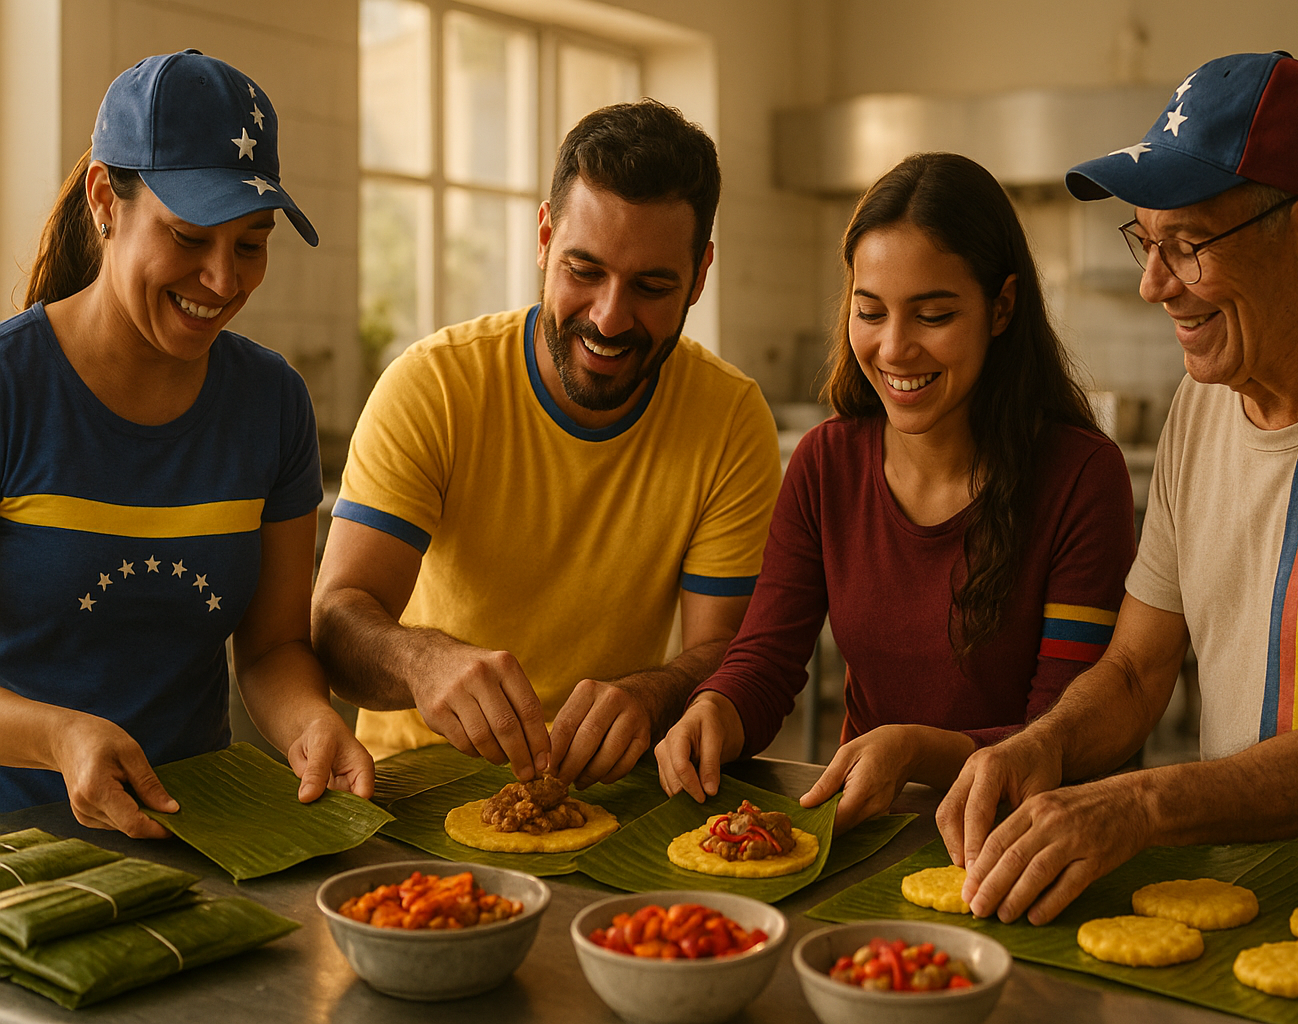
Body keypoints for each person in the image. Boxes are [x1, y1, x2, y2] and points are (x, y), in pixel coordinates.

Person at [938, 51, 1298, 927]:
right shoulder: (1202, 404)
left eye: (1187, 246)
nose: (1153, 285)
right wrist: (1043, 746)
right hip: (1246, 881)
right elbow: (1137, 670)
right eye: (1146, 241)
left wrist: (1138, 804)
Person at [655, 152, 1137, 833]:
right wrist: (715, 709)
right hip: (869, 830)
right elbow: (765, 661)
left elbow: (1061, 734)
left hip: (1026, 837)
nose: (893, 348)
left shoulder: (1080, 477)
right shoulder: (826, 463)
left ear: (1001, 307)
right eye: (870, 312)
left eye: (933, 315)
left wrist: (916, 750)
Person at [312, 100, 781, 789]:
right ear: (544, 237)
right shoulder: (435, 385)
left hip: (603, 797)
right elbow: (334, 622)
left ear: (700, 274)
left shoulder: (730, 418)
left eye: (652, 286)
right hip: (410, 790)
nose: (609, 318)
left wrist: (653, 697)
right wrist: (422, 662)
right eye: (583, 271)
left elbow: (728, 651)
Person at [0, 50, 373, 834]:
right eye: (189, 236)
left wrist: (311, 724)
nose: (224, 281)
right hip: (22, 860)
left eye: (251, 244)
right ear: (105, 200)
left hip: (203, 843)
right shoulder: (11, 387)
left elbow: (271, 648)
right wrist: (59, 737)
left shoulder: (272, 402)